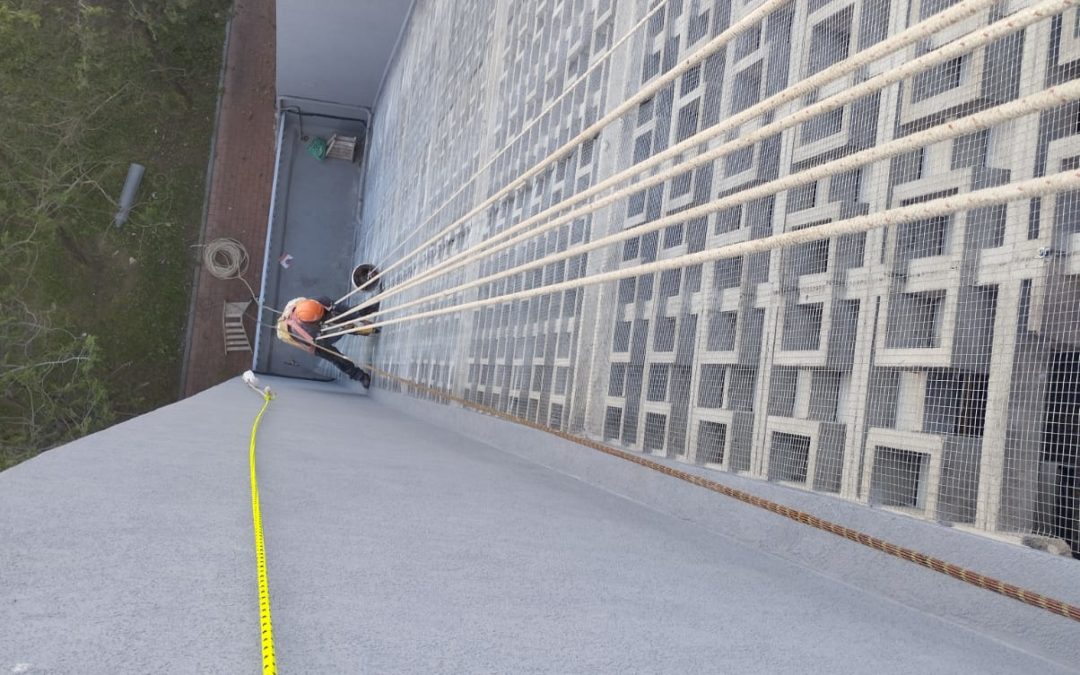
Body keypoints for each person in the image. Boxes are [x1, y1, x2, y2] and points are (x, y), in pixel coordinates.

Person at [275, 296, 377, 387]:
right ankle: (359, 376)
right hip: (313, 342)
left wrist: (354, 316)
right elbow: (328, 339)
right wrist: (344, 328)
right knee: (335, 357)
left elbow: (343, 311)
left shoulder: (317, 304)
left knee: (345, 315)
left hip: (311, 316)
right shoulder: (306, 333)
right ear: (314, 323)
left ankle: (370, 308)